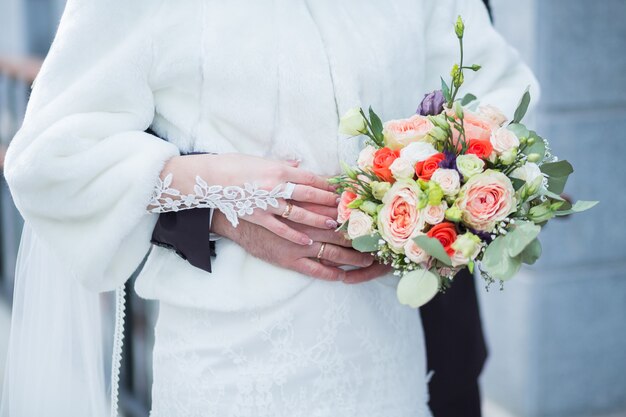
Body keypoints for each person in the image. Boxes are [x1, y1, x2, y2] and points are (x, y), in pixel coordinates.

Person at [2, 0, 537, 416]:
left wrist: (431, 209)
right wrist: (212, 191)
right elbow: (50, 157)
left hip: (389, 357)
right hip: (230, 365)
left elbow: (502, 101)